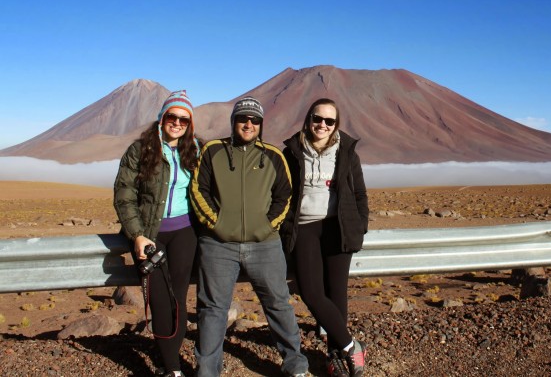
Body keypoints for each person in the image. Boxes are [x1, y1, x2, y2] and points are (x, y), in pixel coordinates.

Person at [189, 97, 309, 377]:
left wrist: (266, 226)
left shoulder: (273, 156)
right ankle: (207, 371)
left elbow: (285, 196)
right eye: (243, 118)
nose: (248, 124)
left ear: (261, 125)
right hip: (218, 244)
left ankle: (295, 365)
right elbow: (198, 190)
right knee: (212, 309)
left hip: (264, 245)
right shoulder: (212, 151)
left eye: (254, 120)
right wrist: (216, 224)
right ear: (233, 122)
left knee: (278, 303)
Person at [113, 90, 201, 377]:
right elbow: (124, 194)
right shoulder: (140, 151)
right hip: (151, 236)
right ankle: (172, 368)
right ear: (162, 118)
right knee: (160, 302)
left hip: (185, 234)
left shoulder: (195, 150)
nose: (177, 123)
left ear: (190, 125)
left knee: (178, 298)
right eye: (171, 116)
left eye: (183, 120)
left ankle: (170, 361)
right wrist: (137, 234)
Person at [281, 98, 369, 377]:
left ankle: (334, 359)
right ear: (308, 120)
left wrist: (360, 225)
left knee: (337, 295)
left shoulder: (346, 152)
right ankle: (351, 345)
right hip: (304, 228)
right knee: (310, 292)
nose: (322, 125)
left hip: (337, 228)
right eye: (318, 119)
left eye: (329, 121)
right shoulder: (292, 152)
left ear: (336, 125)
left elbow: (359, 194)